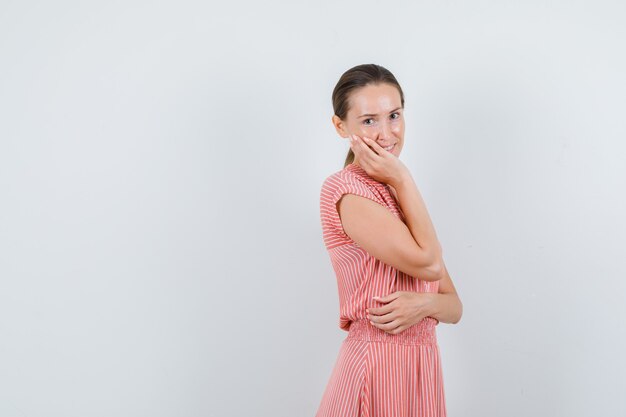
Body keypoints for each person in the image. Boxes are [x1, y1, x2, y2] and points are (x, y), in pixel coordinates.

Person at [315, 64, 463, 417]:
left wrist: (423, 306)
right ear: (341, 126)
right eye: (369, 120)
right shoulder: (346, 191)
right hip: (377, 365)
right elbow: (429, 264)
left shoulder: (398, 195)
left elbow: (454, 305)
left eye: (394, 115)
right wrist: (403, 177)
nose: (386, 133)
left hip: (421, 369)